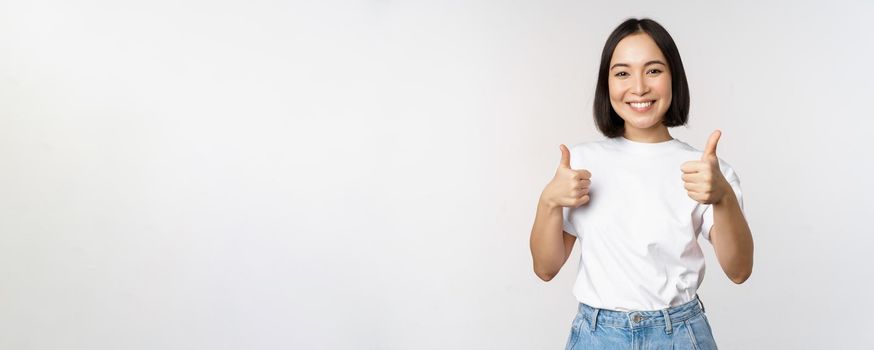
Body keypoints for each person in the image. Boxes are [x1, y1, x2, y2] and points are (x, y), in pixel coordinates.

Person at [529, 18, 754, 350]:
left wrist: (723, 198)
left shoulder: (706, 170)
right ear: (606, 85)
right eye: (622, 73)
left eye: (653, 70)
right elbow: (545, 268)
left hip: (679, 334)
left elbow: (739, 270)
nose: (638, 87)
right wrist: (548, 202)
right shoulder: (581, 163)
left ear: (674, 78)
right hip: (597, 336)